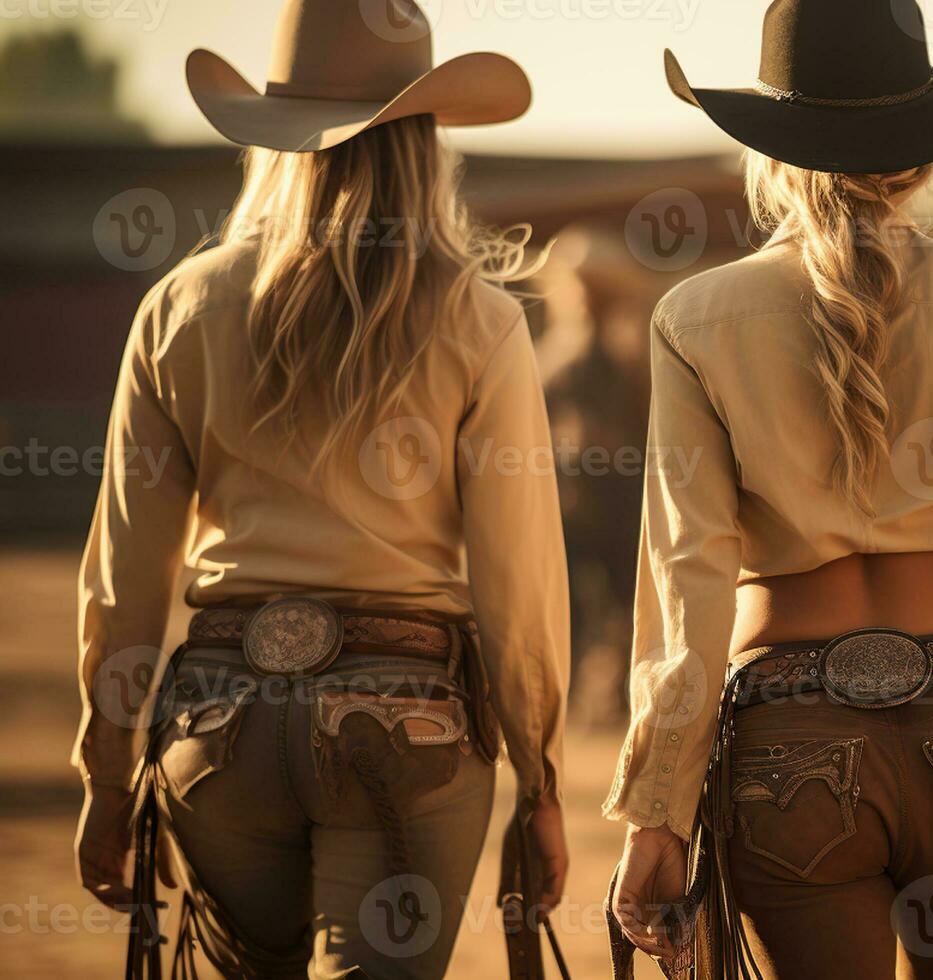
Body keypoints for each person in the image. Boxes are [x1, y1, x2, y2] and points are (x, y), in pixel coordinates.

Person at [605, 2, 933, 977]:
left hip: (787, 748)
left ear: (767, 153)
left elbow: (689, 589)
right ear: (924, 159)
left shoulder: (694, 318)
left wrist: (658, 811)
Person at [71, 1, 569, 976]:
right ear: (426, 145)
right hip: (408, 721)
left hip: (220, 722)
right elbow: (520, 580)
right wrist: (539, 777)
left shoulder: (179, 306)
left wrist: (104, 768)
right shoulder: (478, 319)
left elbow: (123, 571)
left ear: (274, 136)